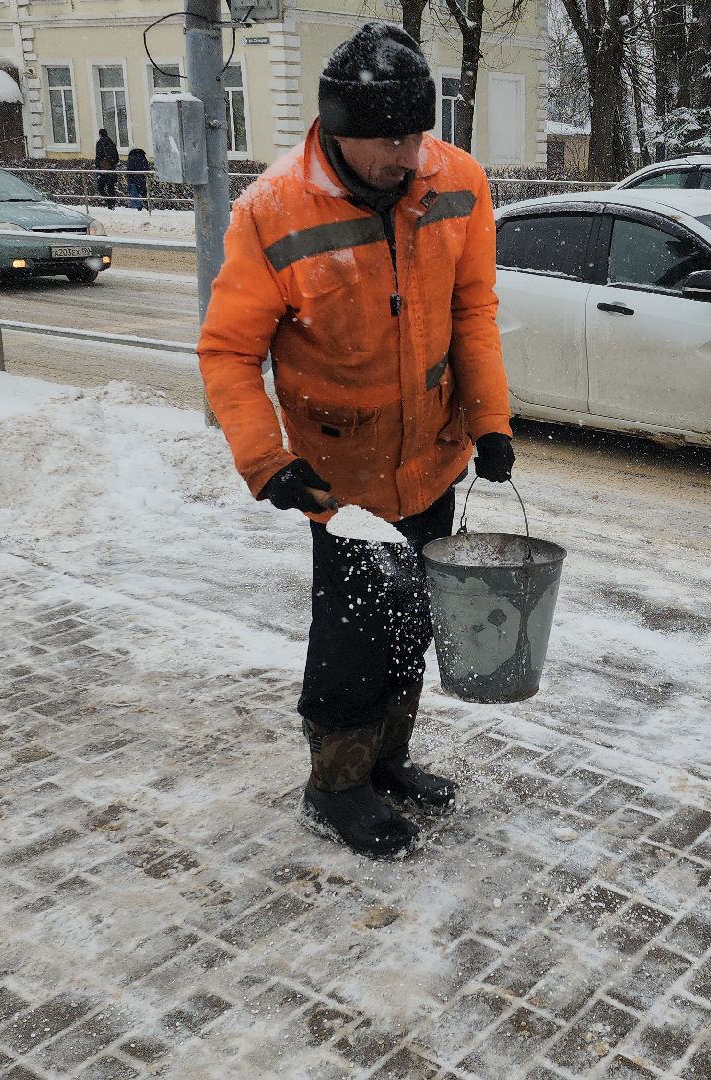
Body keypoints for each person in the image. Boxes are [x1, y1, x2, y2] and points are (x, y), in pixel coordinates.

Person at [197, 21, 514, 860]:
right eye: (387, 138)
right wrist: (269, 464)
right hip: (338, 477)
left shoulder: (460, 184)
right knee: (353, 631)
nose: (406, 155)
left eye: (416, 133)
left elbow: (472, 311)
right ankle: (336, 785)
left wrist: (489, 422)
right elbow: (228, 351)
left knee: (413, 621)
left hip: (432, 455)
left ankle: (389, 762)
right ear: (338, 129)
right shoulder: (272, 211)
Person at [94, 128, 120, 209]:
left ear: (100, 134)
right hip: (111, 168)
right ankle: (112, 203)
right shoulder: (111, 142)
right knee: (110, 187)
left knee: (100, 187)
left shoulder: (99, 143)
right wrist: (112, 164)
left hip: (103, 169)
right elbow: (116, 157)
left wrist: (97, 166)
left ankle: (109, 202)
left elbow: (98, 156)